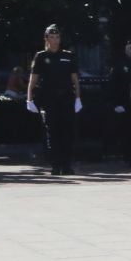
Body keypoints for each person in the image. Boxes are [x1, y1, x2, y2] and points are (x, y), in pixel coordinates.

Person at [26, 24, 82, 175]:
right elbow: (33, 79)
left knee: (68, 132)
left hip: (67, 98)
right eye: (51, 37)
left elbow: (75, 80)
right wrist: (29, 98)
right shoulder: (41, 56)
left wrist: (78, 98)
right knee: (52, 132)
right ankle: (55, 164)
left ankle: (67, 164)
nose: (55, 40)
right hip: (48, 99)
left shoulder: (68, 55)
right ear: (46, 39)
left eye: (57, 37)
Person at [107, 41, 131, 165]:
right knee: (128, 132)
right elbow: (112, 86)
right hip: (125, 104)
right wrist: (115, 104)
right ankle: (130, 157)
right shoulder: (119, 65)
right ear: (126, 50)